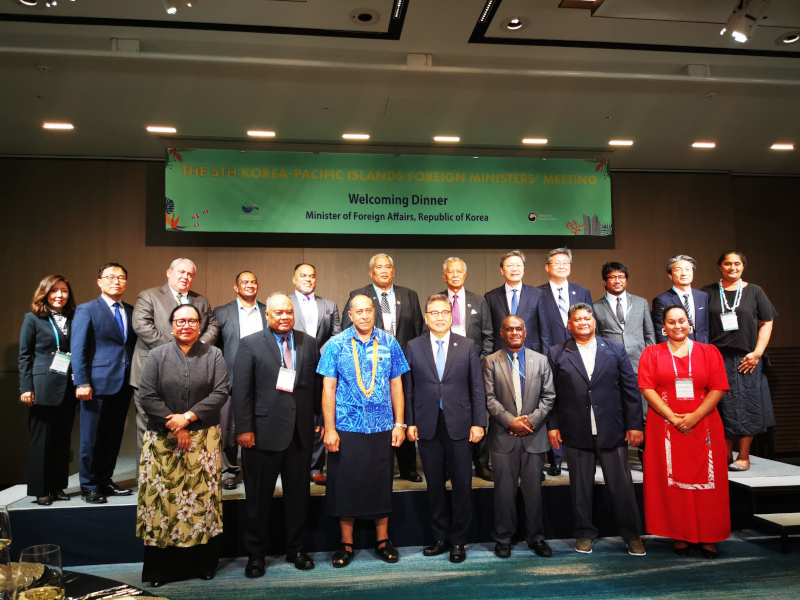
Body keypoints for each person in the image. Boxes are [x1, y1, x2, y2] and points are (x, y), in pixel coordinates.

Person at [136, 304, 229, 587]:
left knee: (201, 503)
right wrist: (175, 426)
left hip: (204, 441)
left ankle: (203, 565)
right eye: (180, 321)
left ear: (200, 325)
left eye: (192, 321)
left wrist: (187, 418)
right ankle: (160, 571)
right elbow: (147, 396)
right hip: (163, 441)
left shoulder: (214, 354)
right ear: (171, 324)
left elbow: (221, 391)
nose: (186, 325)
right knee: (163, 503)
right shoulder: (157, 355)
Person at [318, 294, 410, 568]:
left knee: (381, 483)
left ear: (374, 312)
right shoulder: (335, 344)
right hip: (346, 427)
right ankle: (346, 543)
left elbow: (397, 386)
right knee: (344, 485)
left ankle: (383, 541)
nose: (365, 315)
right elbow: (328, 389)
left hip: (382, 426)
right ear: (350, 315)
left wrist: (400, 423)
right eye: (358, 311)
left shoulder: (390, 342)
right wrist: (330, 429)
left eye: (369, 310)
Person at [231, 293, 319, 577]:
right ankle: (256, 555)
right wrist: (244, 428)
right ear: (267, 315)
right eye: (278, 313)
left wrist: (316, 418)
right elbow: (242, 391)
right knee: (258, 499)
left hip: (300, 434)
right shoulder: (250, 344)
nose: (284, 317)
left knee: (298, 497)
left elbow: (314, 386)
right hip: (261, 434)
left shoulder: (310, 342)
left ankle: (296, 549)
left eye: (289, 312)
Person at [547, 303, 646, 556]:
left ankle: (631, 535)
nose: (582, 322)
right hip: (575, 430)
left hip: (612, 428)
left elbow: (630, 390)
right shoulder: (557, 352)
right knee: (580, 487)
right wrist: (553, 426)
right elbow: (551, 394)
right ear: (569, 325)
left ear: (594, 322)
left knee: (621, 486)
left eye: (586, 318)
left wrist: (635, 425)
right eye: (577, 319)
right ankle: (583, 534)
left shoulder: (615, 349)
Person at [638, 304, 731, 559]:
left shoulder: (709, 352)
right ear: (663, 326)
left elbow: (719, 387)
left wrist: (695, 416)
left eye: (681, 321)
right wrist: (672, 417)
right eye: (671, 322)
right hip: (664, 424)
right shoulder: (652, 353)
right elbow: (647, 388)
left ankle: (709, 536)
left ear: (689, 323)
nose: (677, 326)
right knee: (671, 484)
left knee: (709, 483)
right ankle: (680, 534)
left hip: (704, 423)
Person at [405, 294, 486, 563]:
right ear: (426, 317)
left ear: (451, 316)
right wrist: (410, 421)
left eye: (444, 312)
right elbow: (409, 388)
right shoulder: (413, 346)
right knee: (435, 486)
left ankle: (459, 541)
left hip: (461, 424)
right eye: (434, 313)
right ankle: (440, 537)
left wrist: (479, 422)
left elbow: (477, 387)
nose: (439, 317)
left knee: (462, 484)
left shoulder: (467, 345)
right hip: (427, 425)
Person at [341, 253, 422, 482]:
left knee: (403, 410)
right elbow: (349, 332)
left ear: (393, 271)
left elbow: (417, 333)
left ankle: (408, 467)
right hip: (368, 367)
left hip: (401, 364)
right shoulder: (358, 296)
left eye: (388, 267)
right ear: (371, 272)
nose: (384, 271)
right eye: (379, 267)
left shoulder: (410, 295)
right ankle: (374, 464)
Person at [484, 315, 555, 560]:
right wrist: (510, 421)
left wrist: (530, 421)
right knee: (503, 491)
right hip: (503, 436)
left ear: (525, 332)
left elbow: (549, 397)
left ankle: (536, 537)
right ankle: (503, 538)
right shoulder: (490, 361)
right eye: (509, 329)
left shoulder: (541, 360)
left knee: (533, 491)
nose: (514, 332)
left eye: (519, 329)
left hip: (534, 436)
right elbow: (489, 399)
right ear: (502, 333)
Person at [131, 258, 219, 455]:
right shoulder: (149, 295)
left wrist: (197, 348)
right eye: (181, 272)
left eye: (190, 274)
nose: (185, 277)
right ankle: (148, 481)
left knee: (189, 427)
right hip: (154, 373)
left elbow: (213, 326)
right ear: (169, 273)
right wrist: (176, 352)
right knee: (150, 428)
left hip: (194, 374)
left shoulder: (201, 301)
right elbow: (142, 326)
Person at [701, 251, 778, 472]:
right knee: (721, 407)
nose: (732, 267)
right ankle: (724, 455)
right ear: (719, 267)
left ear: (743, 267)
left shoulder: (754, 291)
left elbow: (767, 323)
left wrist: (757, 353)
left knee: (749, 405)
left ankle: (744, 456)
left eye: (737, 264)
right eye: (727, 264)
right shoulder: (708, 292)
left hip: (748, 359)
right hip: (717, 359)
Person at [71, 263, 138, 504]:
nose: (116, 281)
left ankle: (105, 480)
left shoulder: (131, 310)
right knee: (91, 438)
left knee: (113, 436)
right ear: (99, 281)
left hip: (124, 383)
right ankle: (88, 486)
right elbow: (78, 349)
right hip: (95, 384)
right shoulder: (86, 309)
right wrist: (81, 382)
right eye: (110, 277)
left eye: (121, 277)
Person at [18, 275, 78, 506]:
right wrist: (26, 387)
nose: (60, 295)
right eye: (54, 291)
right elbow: (25, 356)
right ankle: (40, 489)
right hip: (42, 386)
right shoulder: (32, 318)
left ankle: (57, 486)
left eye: (64, 291)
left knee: (62, 440)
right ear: (44, 293)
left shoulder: (74, 318)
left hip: (68, 386)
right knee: (41, 440)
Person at [436, 256, 494, 481]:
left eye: (459, 271)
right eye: (451, 271)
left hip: (475, 367)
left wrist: (481, 363)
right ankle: (450, 467)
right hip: (445, 370)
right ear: (444, 275)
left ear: (465, 274)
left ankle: (481, 464)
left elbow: (488, 336)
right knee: (449, 417)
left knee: (478, 414)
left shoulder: (479, 301)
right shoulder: (437, 302)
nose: (455, 274)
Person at [593, 261, 656, 460]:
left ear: (626, 280)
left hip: (640, 364)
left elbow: (649, 333)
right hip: (611, 366)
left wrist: (650, 359)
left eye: (621, 277)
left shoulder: (641, 302)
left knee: (643, 410)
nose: (617, 281)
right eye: (612, 277)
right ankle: (615, 456)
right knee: (614, 410)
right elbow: (596, 337)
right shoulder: (596, 306)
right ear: (605, 281)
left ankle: (645, 455)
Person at [538, 247, 592, 477]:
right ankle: (556, 458)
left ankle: (582, 454)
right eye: (556, 263)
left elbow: (588, 324)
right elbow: (539, 327)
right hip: (550, 355)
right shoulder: (538, 293)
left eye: (565, 263)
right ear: (547, 267)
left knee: (580, 401)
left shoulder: (583, 291)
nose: (561, 266)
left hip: (580, 355)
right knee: (553, 402)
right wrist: (545, 355)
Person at [212, 271, 267, 490]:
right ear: (236, 287)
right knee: (227, 430)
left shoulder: (266, 311)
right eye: (244, 282)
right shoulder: (222, 312)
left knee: (261, 426)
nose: (249, 285)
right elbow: (214, 347)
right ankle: (228, 471)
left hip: (263, 379)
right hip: (231, 378)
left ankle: (257, 470)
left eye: (253, 282)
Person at [289, 262, 341, 485]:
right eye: (303, 275)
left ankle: (315, 466)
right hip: (291, 365)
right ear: (294, 279)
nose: (308, 279)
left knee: (321, 413)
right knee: (294, 409)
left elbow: (336, 335)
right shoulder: (285, 303)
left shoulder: (329, 305)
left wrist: (318, 352)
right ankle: (293, 463)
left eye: (312, 276)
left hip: (322, 365)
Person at [485, 250, 546, 354]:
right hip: (501, 353)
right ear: (502, 270)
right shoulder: (491, 297)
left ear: (523, 269)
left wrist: (544, 357)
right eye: (509, 265)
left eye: (518, 265)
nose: (514, 269)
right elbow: (489, 332)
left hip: (531, 352)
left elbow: (544, 330)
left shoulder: (537, 294)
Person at [652, 255, 709, 344]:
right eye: (678, 270)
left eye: (687, 269)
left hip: (701, 349)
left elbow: (706, 328)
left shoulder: (702, 296)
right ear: (670, 275)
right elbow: (661, 332)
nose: (683, 273)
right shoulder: (661, 300)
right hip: (676, 351)